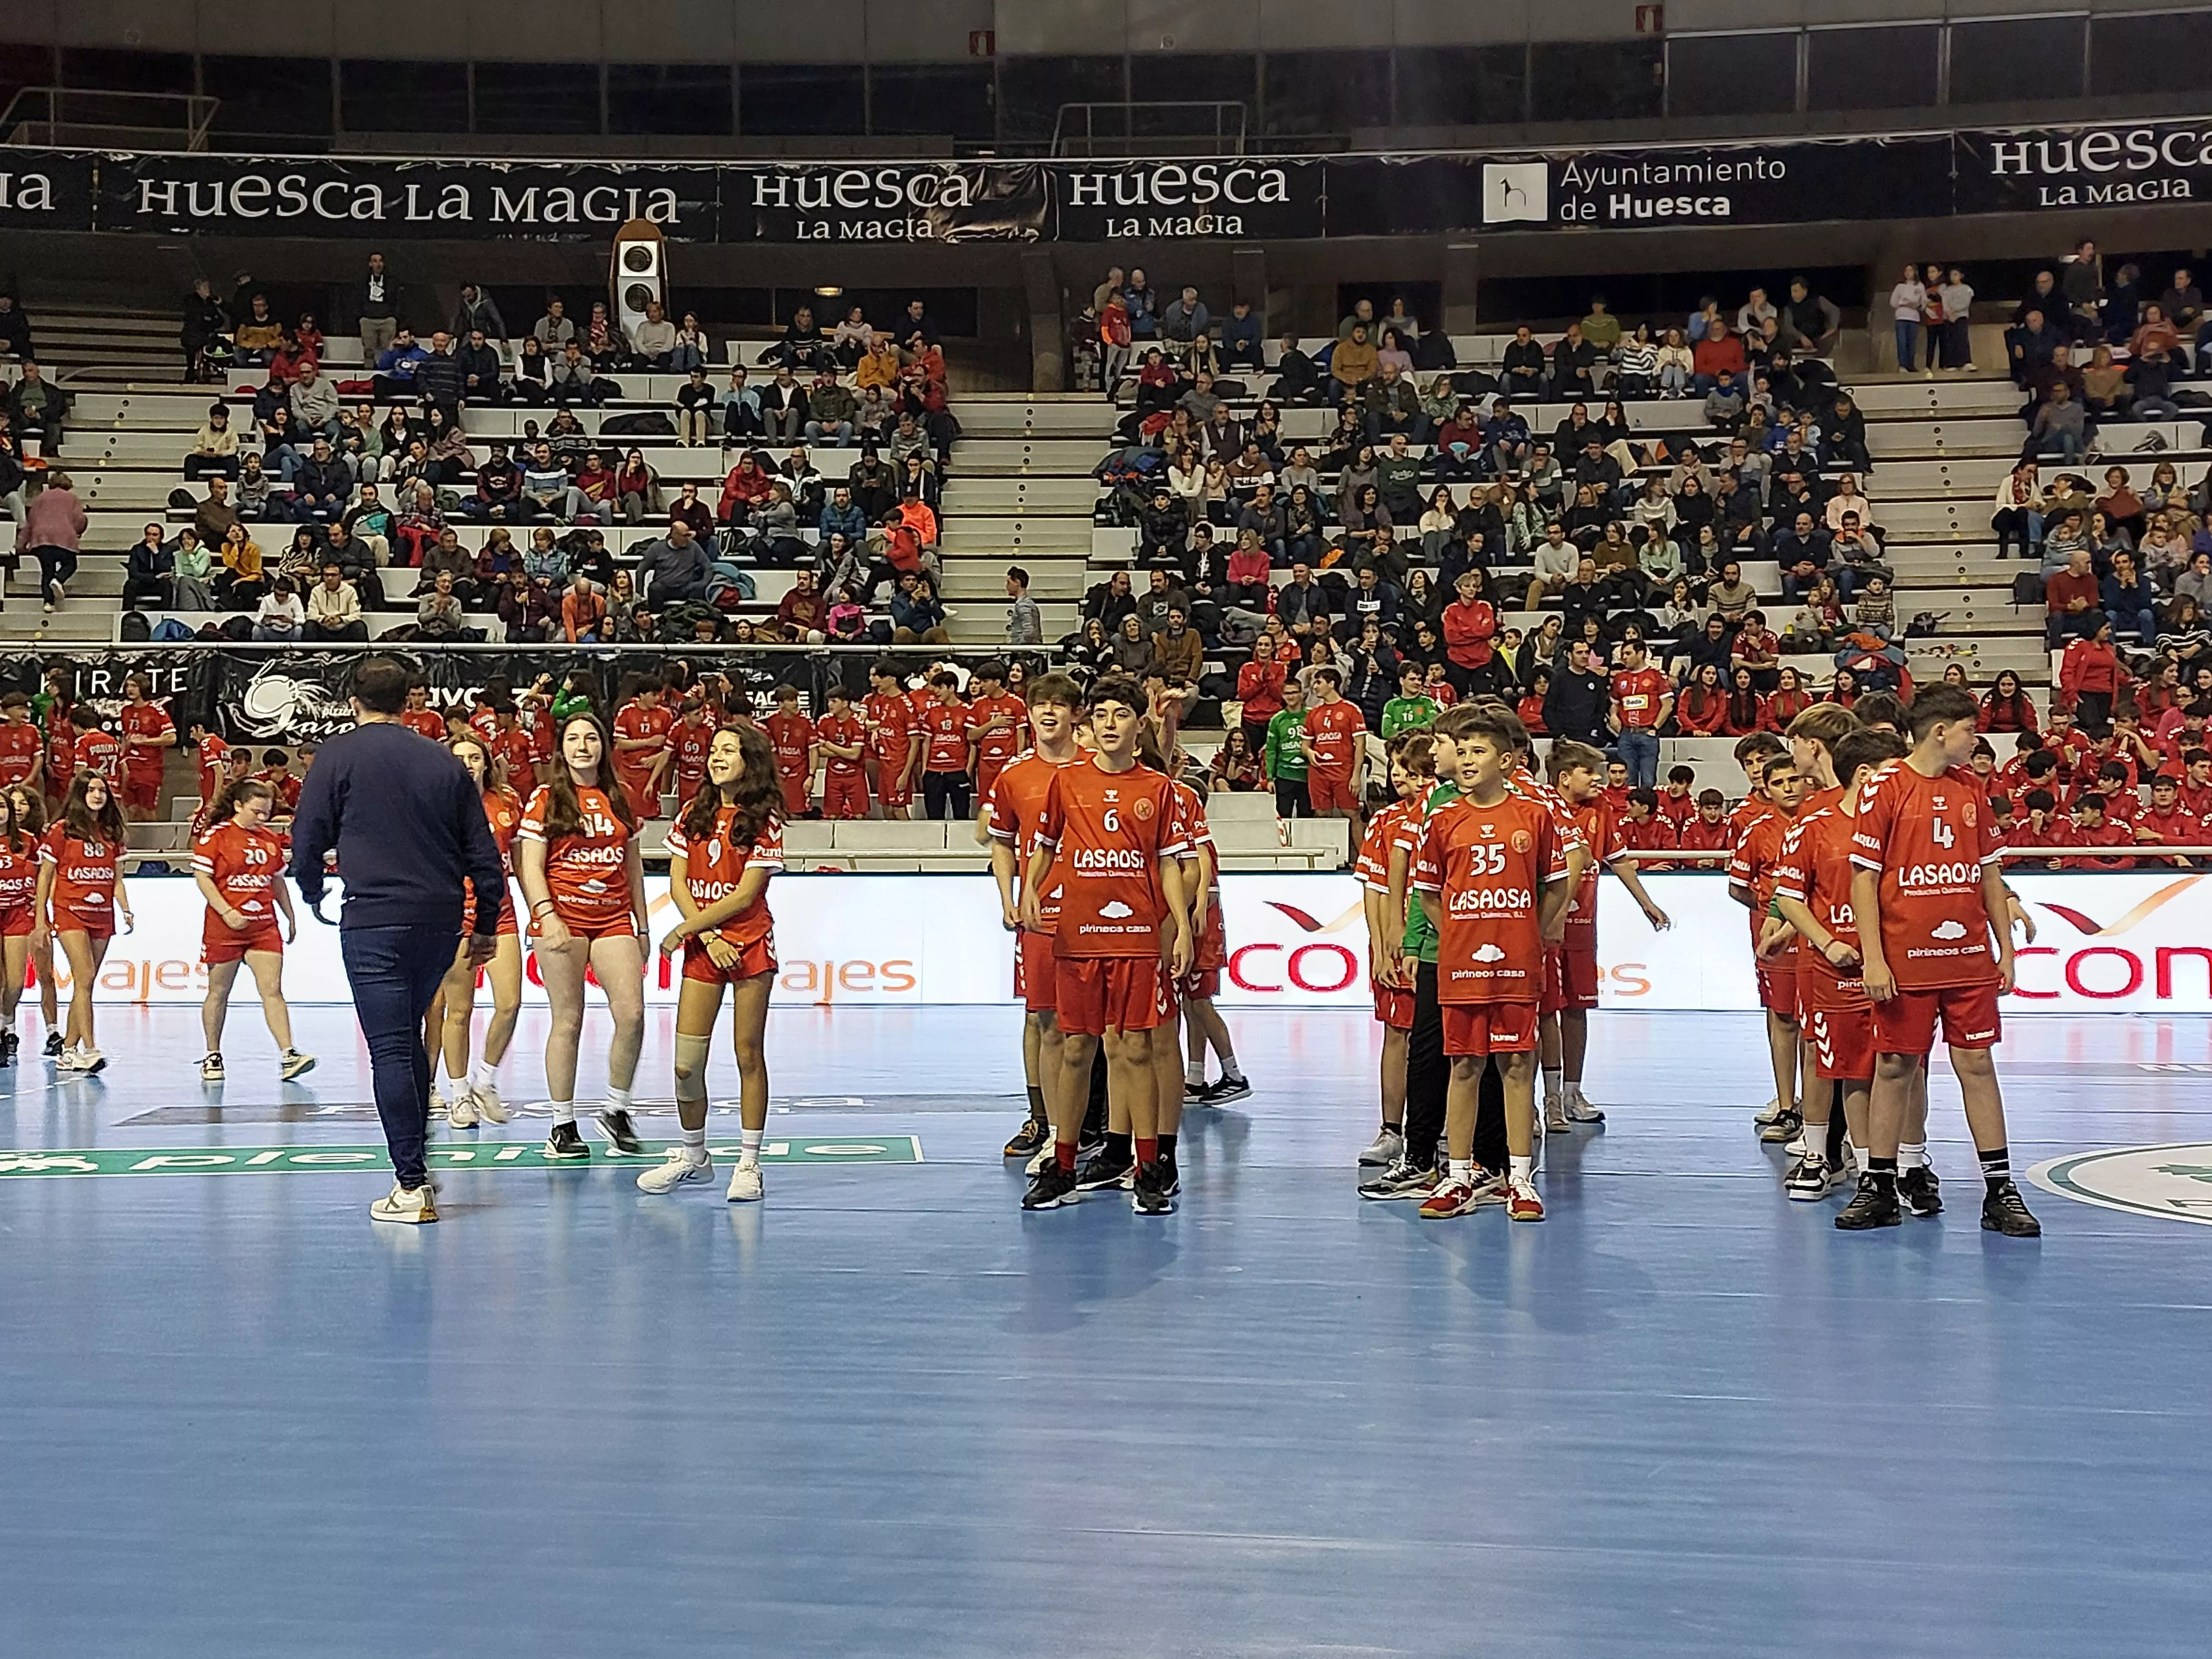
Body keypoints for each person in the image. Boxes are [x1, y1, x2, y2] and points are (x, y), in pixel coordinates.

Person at [288, 659, 503, 1223]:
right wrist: (485, 925)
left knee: (389, 1046)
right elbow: (483, 855)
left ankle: (410, 1185)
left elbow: (307, 834)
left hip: (374, 918)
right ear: (408, 701)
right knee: (408, 1036)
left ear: (352, 701)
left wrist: (312, 890)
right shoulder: (443, 758)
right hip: (439, 919)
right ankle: (416, 1166)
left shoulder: (336, 756)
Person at [1842, 685, 2041, 1236]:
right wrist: (1874, 959)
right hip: (1905, 959)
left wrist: (2006, 947)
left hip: (1967, 958)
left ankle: (1999, 1190)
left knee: (1977, 1064)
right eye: (1969, 731)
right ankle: (1878, 1186)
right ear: (1940, 731)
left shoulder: (1971, 791)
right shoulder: (1884, 787)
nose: (1975, 740)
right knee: (1894, 1066)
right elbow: (1864, 879)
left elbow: (1989, 874)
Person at [1019, 676, 1194, 1215]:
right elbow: (1044, 847)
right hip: (1077, 935)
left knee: (1136, 1050)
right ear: (1089, 723)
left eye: (1122, 714)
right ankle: (1064, 1165)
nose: (1110, 723)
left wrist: (1182, 925)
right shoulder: (1067, 782)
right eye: (1102, 714)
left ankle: (1148, 1169)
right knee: (1076, 1049)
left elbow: (1170, 862)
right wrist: (1028, 889)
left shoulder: (1158, 789)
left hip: (1137, 937)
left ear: (1139, 724)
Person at [1409, 706, 1569, 1222]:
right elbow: (1429, 893)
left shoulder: (1534, 815)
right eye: (1464, 751)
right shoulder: (1442, 818)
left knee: (1517, 1064)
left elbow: (1556, 884)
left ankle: (1519, 1179)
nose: (1469, 759)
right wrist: (1456, 930)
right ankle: (1457, 1178)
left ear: (1505, 759)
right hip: (1461, 964)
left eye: (1480, 751)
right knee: (1464, 1064)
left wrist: (1530, 933)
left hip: (1517, 961)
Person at [639, 725, 784, 1202]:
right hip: (707, 946)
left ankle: (749, 1164)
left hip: (751, 945)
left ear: (750, 760)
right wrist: (704, 934)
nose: (717, 757)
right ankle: (693, 1156)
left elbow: (747, 892)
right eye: (715, 750)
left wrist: (685, 929)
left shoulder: (765, 819)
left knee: (747, 1052)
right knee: (686, 1066)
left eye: (729, 750)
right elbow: (677, 884)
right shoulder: (691, 814)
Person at [515, 710, 648, 1163]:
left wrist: (642, 925)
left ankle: (617, 1109)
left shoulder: (621, 797)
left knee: (631, 1014)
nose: (583, 746)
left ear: (603, 747)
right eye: (573, 738)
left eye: (592, 738)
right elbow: (530, 864)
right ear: (562, 748)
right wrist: (545, 914)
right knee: (568, 1020)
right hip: (563, 918)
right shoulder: (546, 798)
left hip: (613, 919)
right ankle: (562, 1124)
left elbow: (634, 869)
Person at [986, 674, 1088, 1161]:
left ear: (1075, 714)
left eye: (1057, 705)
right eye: (1039, 705)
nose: (1048, 713)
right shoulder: (1013, 775)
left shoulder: (1096, 768)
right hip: (1040, 915)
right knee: (1043, 1018)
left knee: (1102, 1027)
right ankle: (1048, 1127)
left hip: (1097, 914)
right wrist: (1007, 897)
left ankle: (1099, 1129)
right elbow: (1001, 841)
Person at [1547, 741, 1671, 1129]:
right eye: (1591, 773)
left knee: (1577, 1008)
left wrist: (1646, 903)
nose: (1600, 780)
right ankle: (1547, 1100)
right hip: (1544, 929)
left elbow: (1617, 860)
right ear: (1565, 778)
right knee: (1544, 1011)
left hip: (1583, 925)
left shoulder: (1602, 811)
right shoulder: (1541, 808)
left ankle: (1572, 1092)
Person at [429, 732, 524, 1129]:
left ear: (487, 763)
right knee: (459, 1010)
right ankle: (459, 1095)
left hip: (500, 912)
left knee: (510, 1003)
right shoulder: (436, 804)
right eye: (460, 757)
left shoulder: (506, 805)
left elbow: (519, 862)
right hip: (456, 914)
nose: (468, 763)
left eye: (475, 757)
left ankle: (485, 1080)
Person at [192, 776, 314, 1084]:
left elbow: (277, 882)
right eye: (256, 812)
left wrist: (290, 916)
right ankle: (212, 1054)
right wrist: (227, 912)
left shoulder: (269, 842)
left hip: (263, 927)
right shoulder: (216, 837)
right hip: (225, 927)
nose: (262, 819)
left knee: (272, 989)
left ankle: (289, 1054)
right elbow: (203, 878)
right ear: (238, 806)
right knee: (219, 991)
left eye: (266, 813)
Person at [36, 769, 133, 1074]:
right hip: (70, 911)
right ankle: (90, 1048)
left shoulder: (112, 833)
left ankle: (67, 1051)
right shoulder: (62, 830)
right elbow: (45, 877)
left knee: (84, 985)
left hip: (102, 915)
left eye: (102, 791)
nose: (97, 795)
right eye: (92, 790)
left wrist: (126, 909)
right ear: (80, 793)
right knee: (86, 976)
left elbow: (117, 881)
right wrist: (42, 919)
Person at [15, 471, 85, 611]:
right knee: (71, 564)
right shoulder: (72, 498)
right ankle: (59, 580)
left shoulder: (40, 498)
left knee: (47, 571)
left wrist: (20, 544)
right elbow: (79, 521)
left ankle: (48, 603)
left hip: (41, 539)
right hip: (64, 537)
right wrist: (78, 532)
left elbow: (30, 523)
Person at [762, 685, 816, 819]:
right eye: (791, 700)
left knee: (797, 814)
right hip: (779, 772)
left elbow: (813, 750)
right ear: (781, 704)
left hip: (799, 772)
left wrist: (811, 776)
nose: (796, 703)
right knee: (778, 812)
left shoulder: (806, 722)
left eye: (796, 699)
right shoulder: (771, 721)